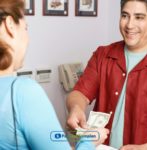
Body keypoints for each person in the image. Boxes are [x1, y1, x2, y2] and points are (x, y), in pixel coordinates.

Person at [0, 0, 109, 149]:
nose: (28, 38)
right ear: (10, 25)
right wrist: (90, 140)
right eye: (26, 28)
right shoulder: (22, 92)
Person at [66, 0, 147, 150]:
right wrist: (76, 108)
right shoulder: (103, 55)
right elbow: (80, 92)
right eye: (125, 15)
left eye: (139, 17)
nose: (129, 25)